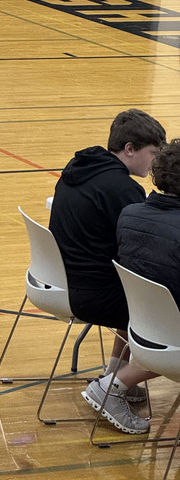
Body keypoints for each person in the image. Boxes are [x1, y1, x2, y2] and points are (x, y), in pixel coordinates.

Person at [48, 108, 165, 429]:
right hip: (92, 294)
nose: (154, 163)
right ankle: (112, 386)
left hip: (63, 281)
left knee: (138, 289)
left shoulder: (79, 168)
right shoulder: (122, 189)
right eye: (153, 153)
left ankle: (114, 373)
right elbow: (139, 253)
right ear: (130, 149)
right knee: (155, 300)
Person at [81, 139, 180, 433]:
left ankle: (117, 375)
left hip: (139, 329)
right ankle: (113, 386)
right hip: (170, 341)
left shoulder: (131, 214)